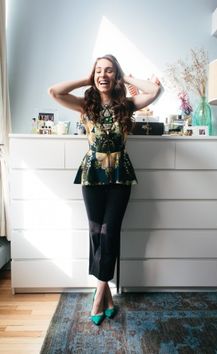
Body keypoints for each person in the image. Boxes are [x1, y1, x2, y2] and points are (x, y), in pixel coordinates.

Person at [48, 54, 161, 325]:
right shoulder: (85, 105)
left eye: (109, 71)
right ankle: (108, 295)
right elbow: (54, 91)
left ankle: (98, 296)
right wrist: (87, 78)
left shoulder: (128, 105)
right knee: (96, 234)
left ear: (116, 76)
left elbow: (154, 91)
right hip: (93, 175)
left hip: (120, 176)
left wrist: (125, 78)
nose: (103, 75)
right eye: (99, 71)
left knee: (109, 233)